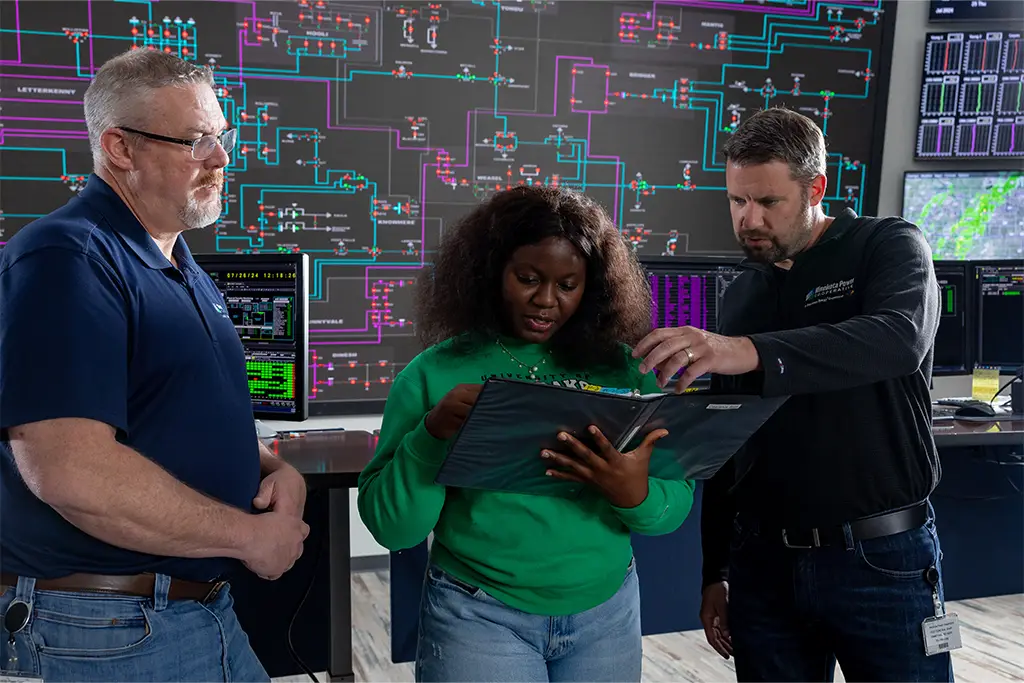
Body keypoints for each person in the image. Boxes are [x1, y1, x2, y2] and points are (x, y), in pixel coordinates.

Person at [0, 49, 309, 682]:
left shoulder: (179, 267)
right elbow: (72, 471)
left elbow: (166, 418)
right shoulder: (69, 259)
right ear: (120, 148)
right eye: (196, 141)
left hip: (189, 615)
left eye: (222, 137)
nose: (220, 159)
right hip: (103, 629)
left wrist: (275, 469)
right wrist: (250, 537)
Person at [632, 107, 949, 682]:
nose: (748, 219)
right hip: (763, 570)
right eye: (736, 201)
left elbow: (898, 338)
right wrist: (715, 570)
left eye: (767, 202)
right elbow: (730, 447)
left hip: (881, 559)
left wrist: (747, 351)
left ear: (815, 189)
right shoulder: (744, 295)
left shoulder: (888, 246)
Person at [357, 185, 696, 682]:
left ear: (593, 287)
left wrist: (635, 493)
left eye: (567, 285)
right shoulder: (434, 374)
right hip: (477, 615)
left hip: (607, 613)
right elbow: (393, 528)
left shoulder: (628, 373)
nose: (545, 300)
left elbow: (674, 507)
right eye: (528, 278)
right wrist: (432, 436)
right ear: (491, 272)